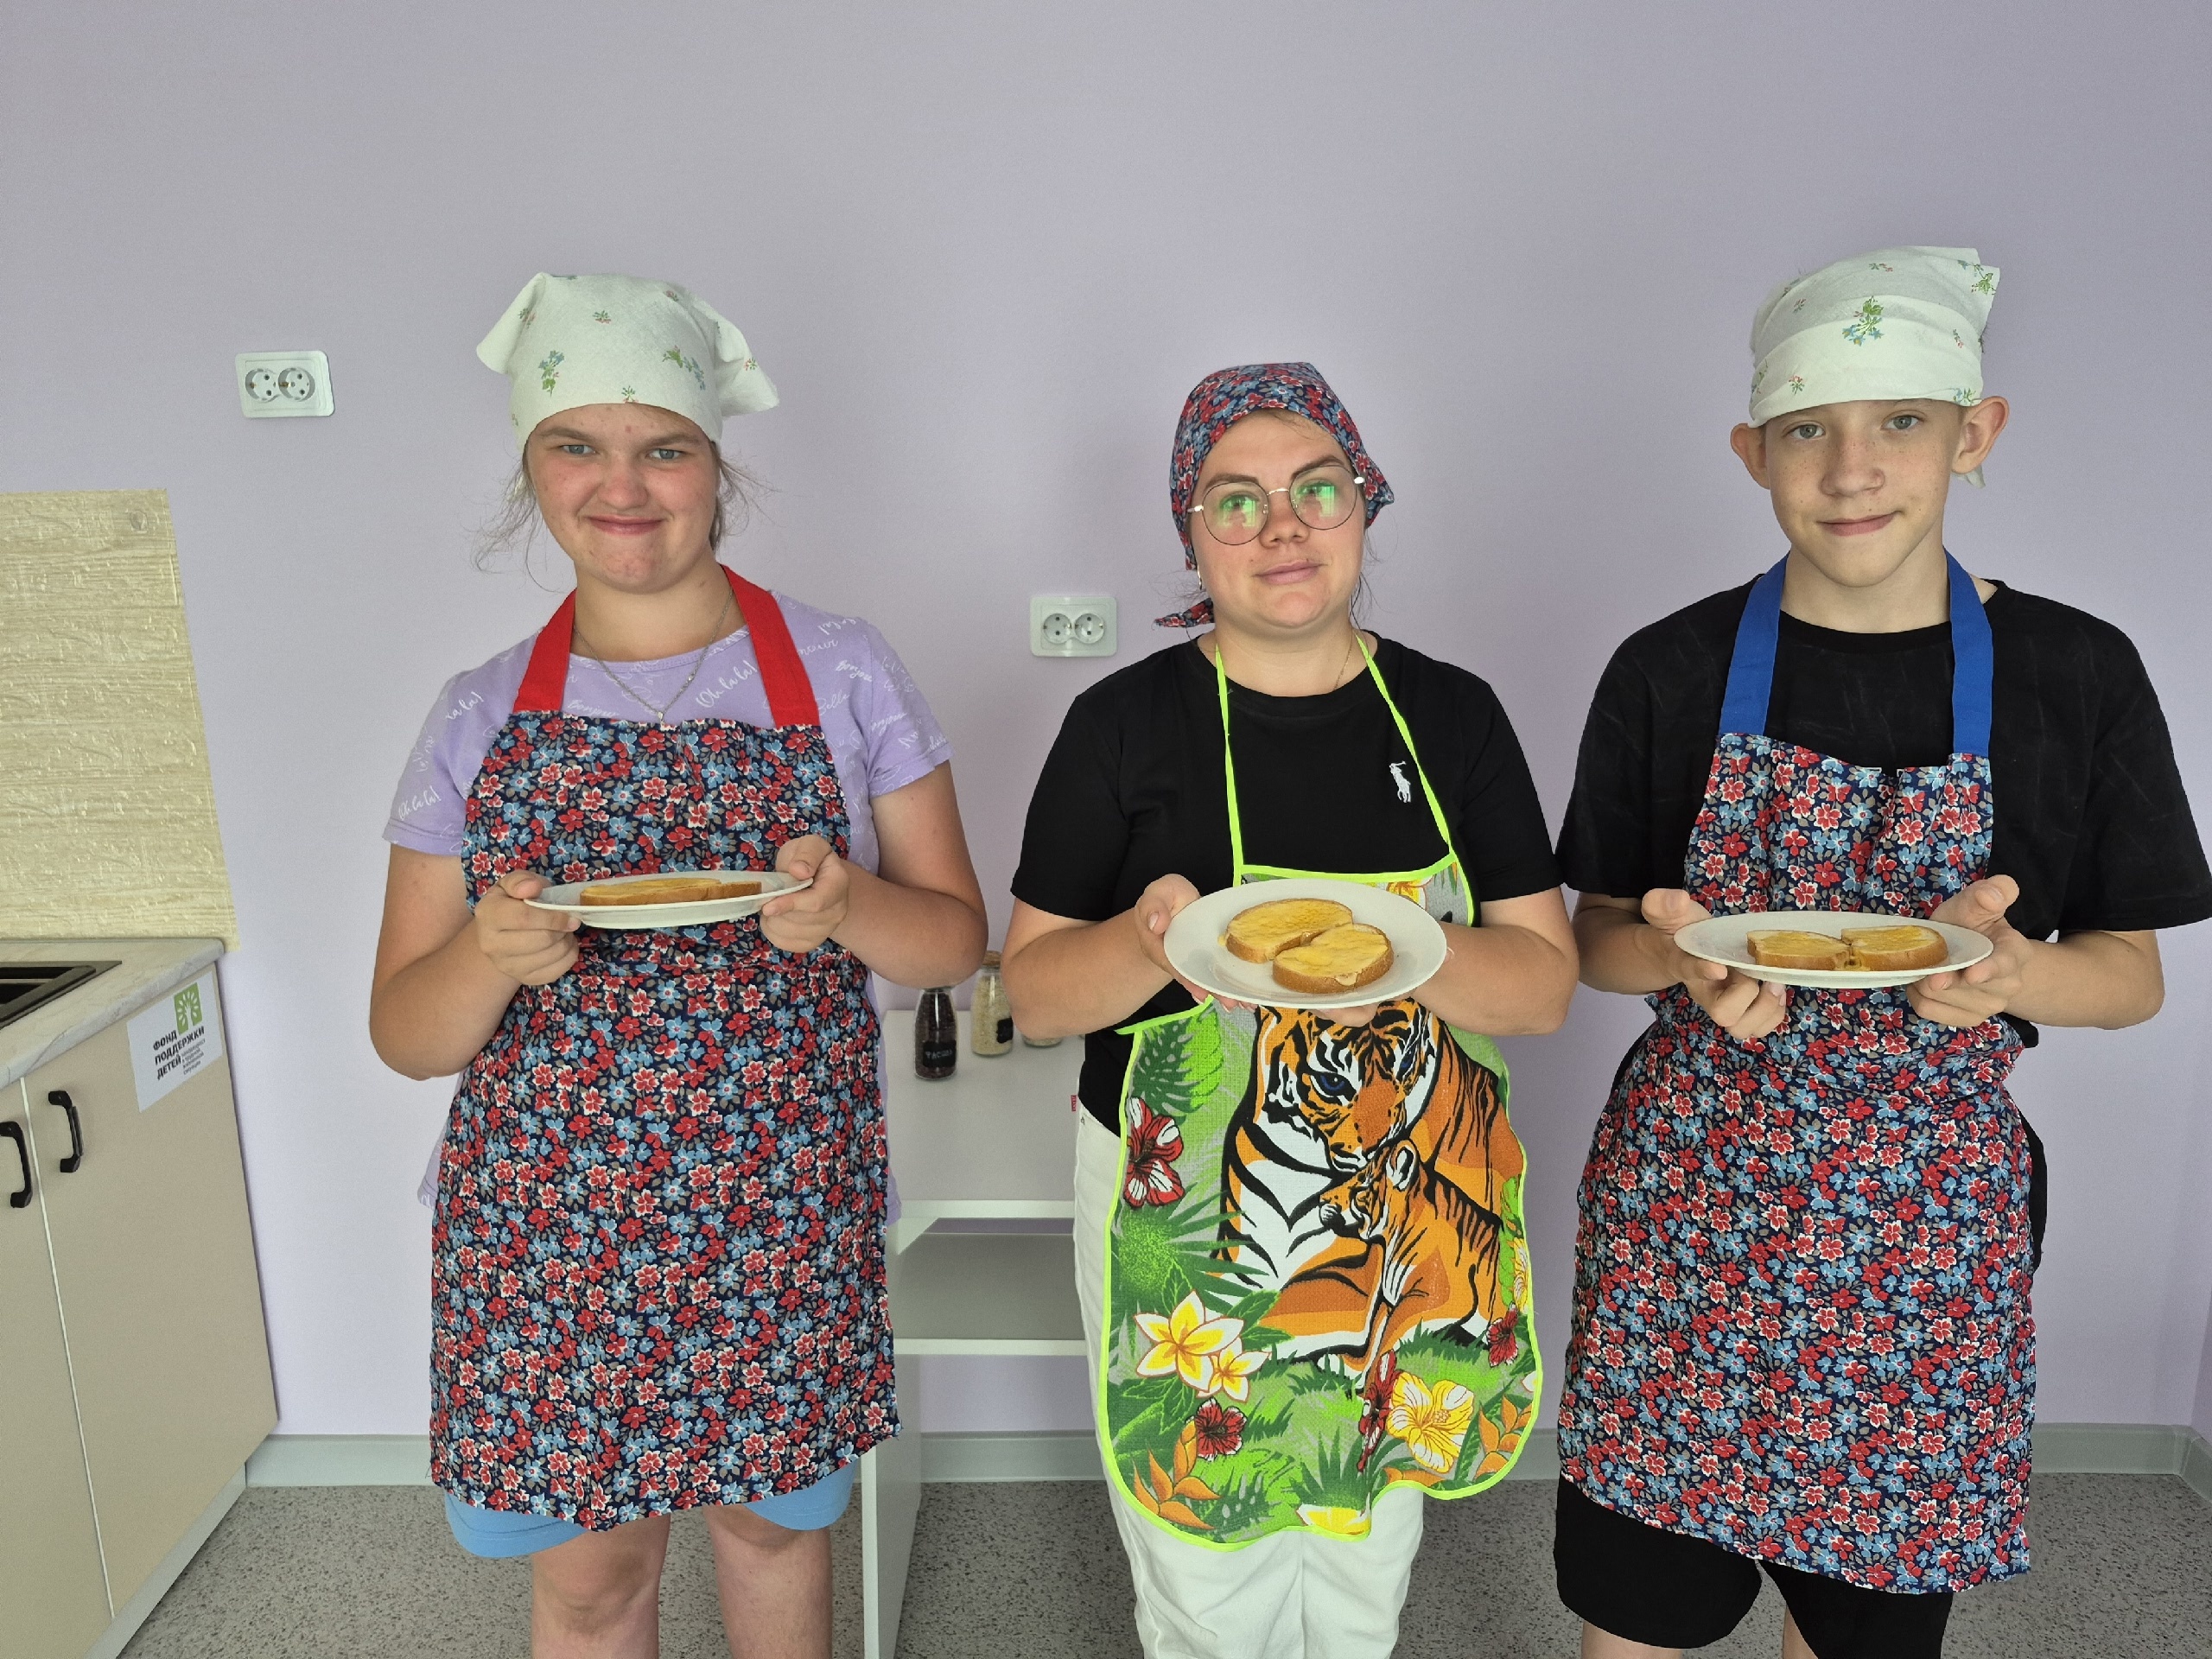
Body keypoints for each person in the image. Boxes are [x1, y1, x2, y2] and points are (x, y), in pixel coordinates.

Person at [1551, 247, 2212, 1659]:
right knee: (1638, 1612)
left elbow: (2133, 975)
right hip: (1690, 1212)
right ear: (1754, 454)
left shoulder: (2077, 674)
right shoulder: (1669, 669)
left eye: (1902, 420)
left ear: (1978, 434)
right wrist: (1676, 962)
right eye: (1807, 429)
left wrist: (2016, 975)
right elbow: (1593, 942)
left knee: (1860, 1627)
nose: (1853, 469)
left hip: (1925, 1230)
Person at [369, 271, 987, 1659]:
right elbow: (407, 1033)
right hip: (551, 1227)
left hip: (779, 1203)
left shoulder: (843, 670)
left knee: (773, 1536)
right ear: (530, 471)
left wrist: (848, 910)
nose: (622, 487)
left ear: (718, 466)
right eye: (574, 446)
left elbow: (956, 938)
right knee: (592, 1583)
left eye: (663, 447)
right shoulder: (478, 713)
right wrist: (489, 953)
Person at [1001, 362, 1577, 1658]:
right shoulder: (1119, 725)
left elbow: (1542, 987)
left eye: (1317, 490)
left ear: (1365, 504)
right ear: (1190, 532)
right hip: (1186, 1203)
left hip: (1402, 1195)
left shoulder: (1451, 715)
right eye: (1235, 500)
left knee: (1363, 1538)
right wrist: (1147, 940)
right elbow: (1033, 995)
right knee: (1209, 1559)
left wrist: (1399, 951)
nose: (1281, 527)